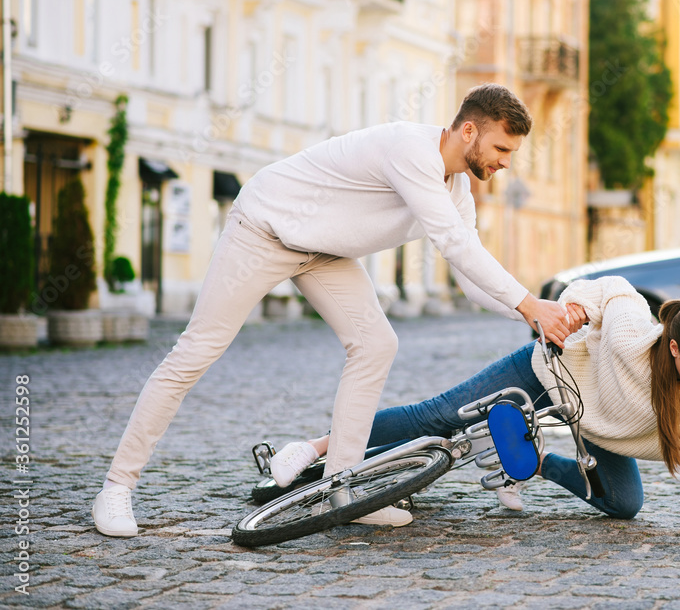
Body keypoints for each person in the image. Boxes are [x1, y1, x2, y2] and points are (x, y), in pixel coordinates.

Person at [92, 83, 574, 537]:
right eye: (502, 149)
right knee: (198, 349)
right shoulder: (410, 150)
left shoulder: (457, 190)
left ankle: (339, 492)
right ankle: (116, 488)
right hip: (264, 229)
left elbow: (471, 282)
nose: (505, 162)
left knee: (376, 343)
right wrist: (531, 305)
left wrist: (535, 313)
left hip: (324, 252)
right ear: (469, 131)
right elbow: (452, 245)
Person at [270, 276, 680, 539]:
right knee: (442, 415)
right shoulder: (636, 335)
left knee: (624, 504)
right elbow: (613, 291)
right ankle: (315, 447)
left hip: (598, 422)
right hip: (551, 371)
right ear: (675, 345)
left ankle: (522, 460)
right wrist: (572, 310)